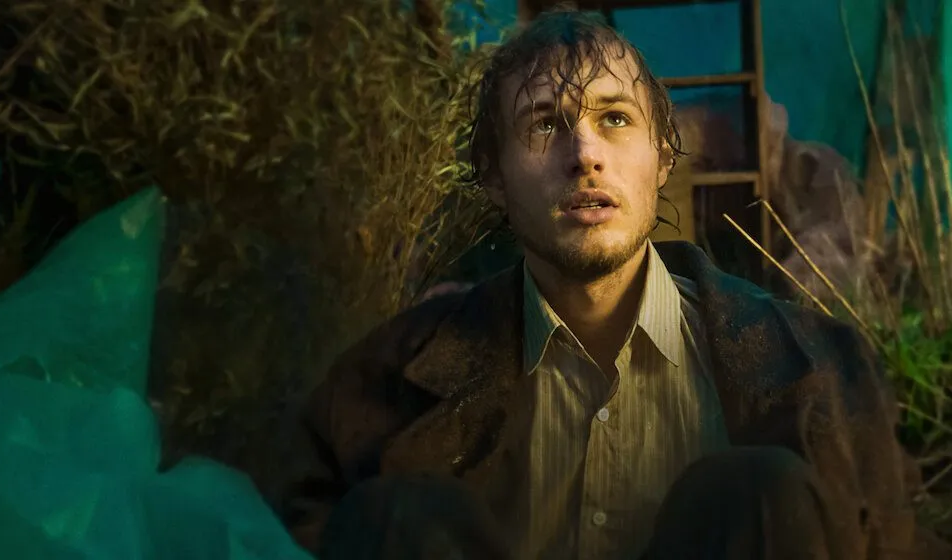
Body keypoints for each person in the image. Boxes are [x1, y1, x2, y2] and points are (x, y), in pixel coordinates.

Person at [278, 7, 937, 559]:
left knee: (759, 493)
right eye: (544, 124)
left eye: (615, 119)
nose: (585, 154)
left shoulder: (821, 367)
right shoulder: (388, 381)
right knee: (400, 516)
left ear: (664, 156)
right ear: (493, 176)